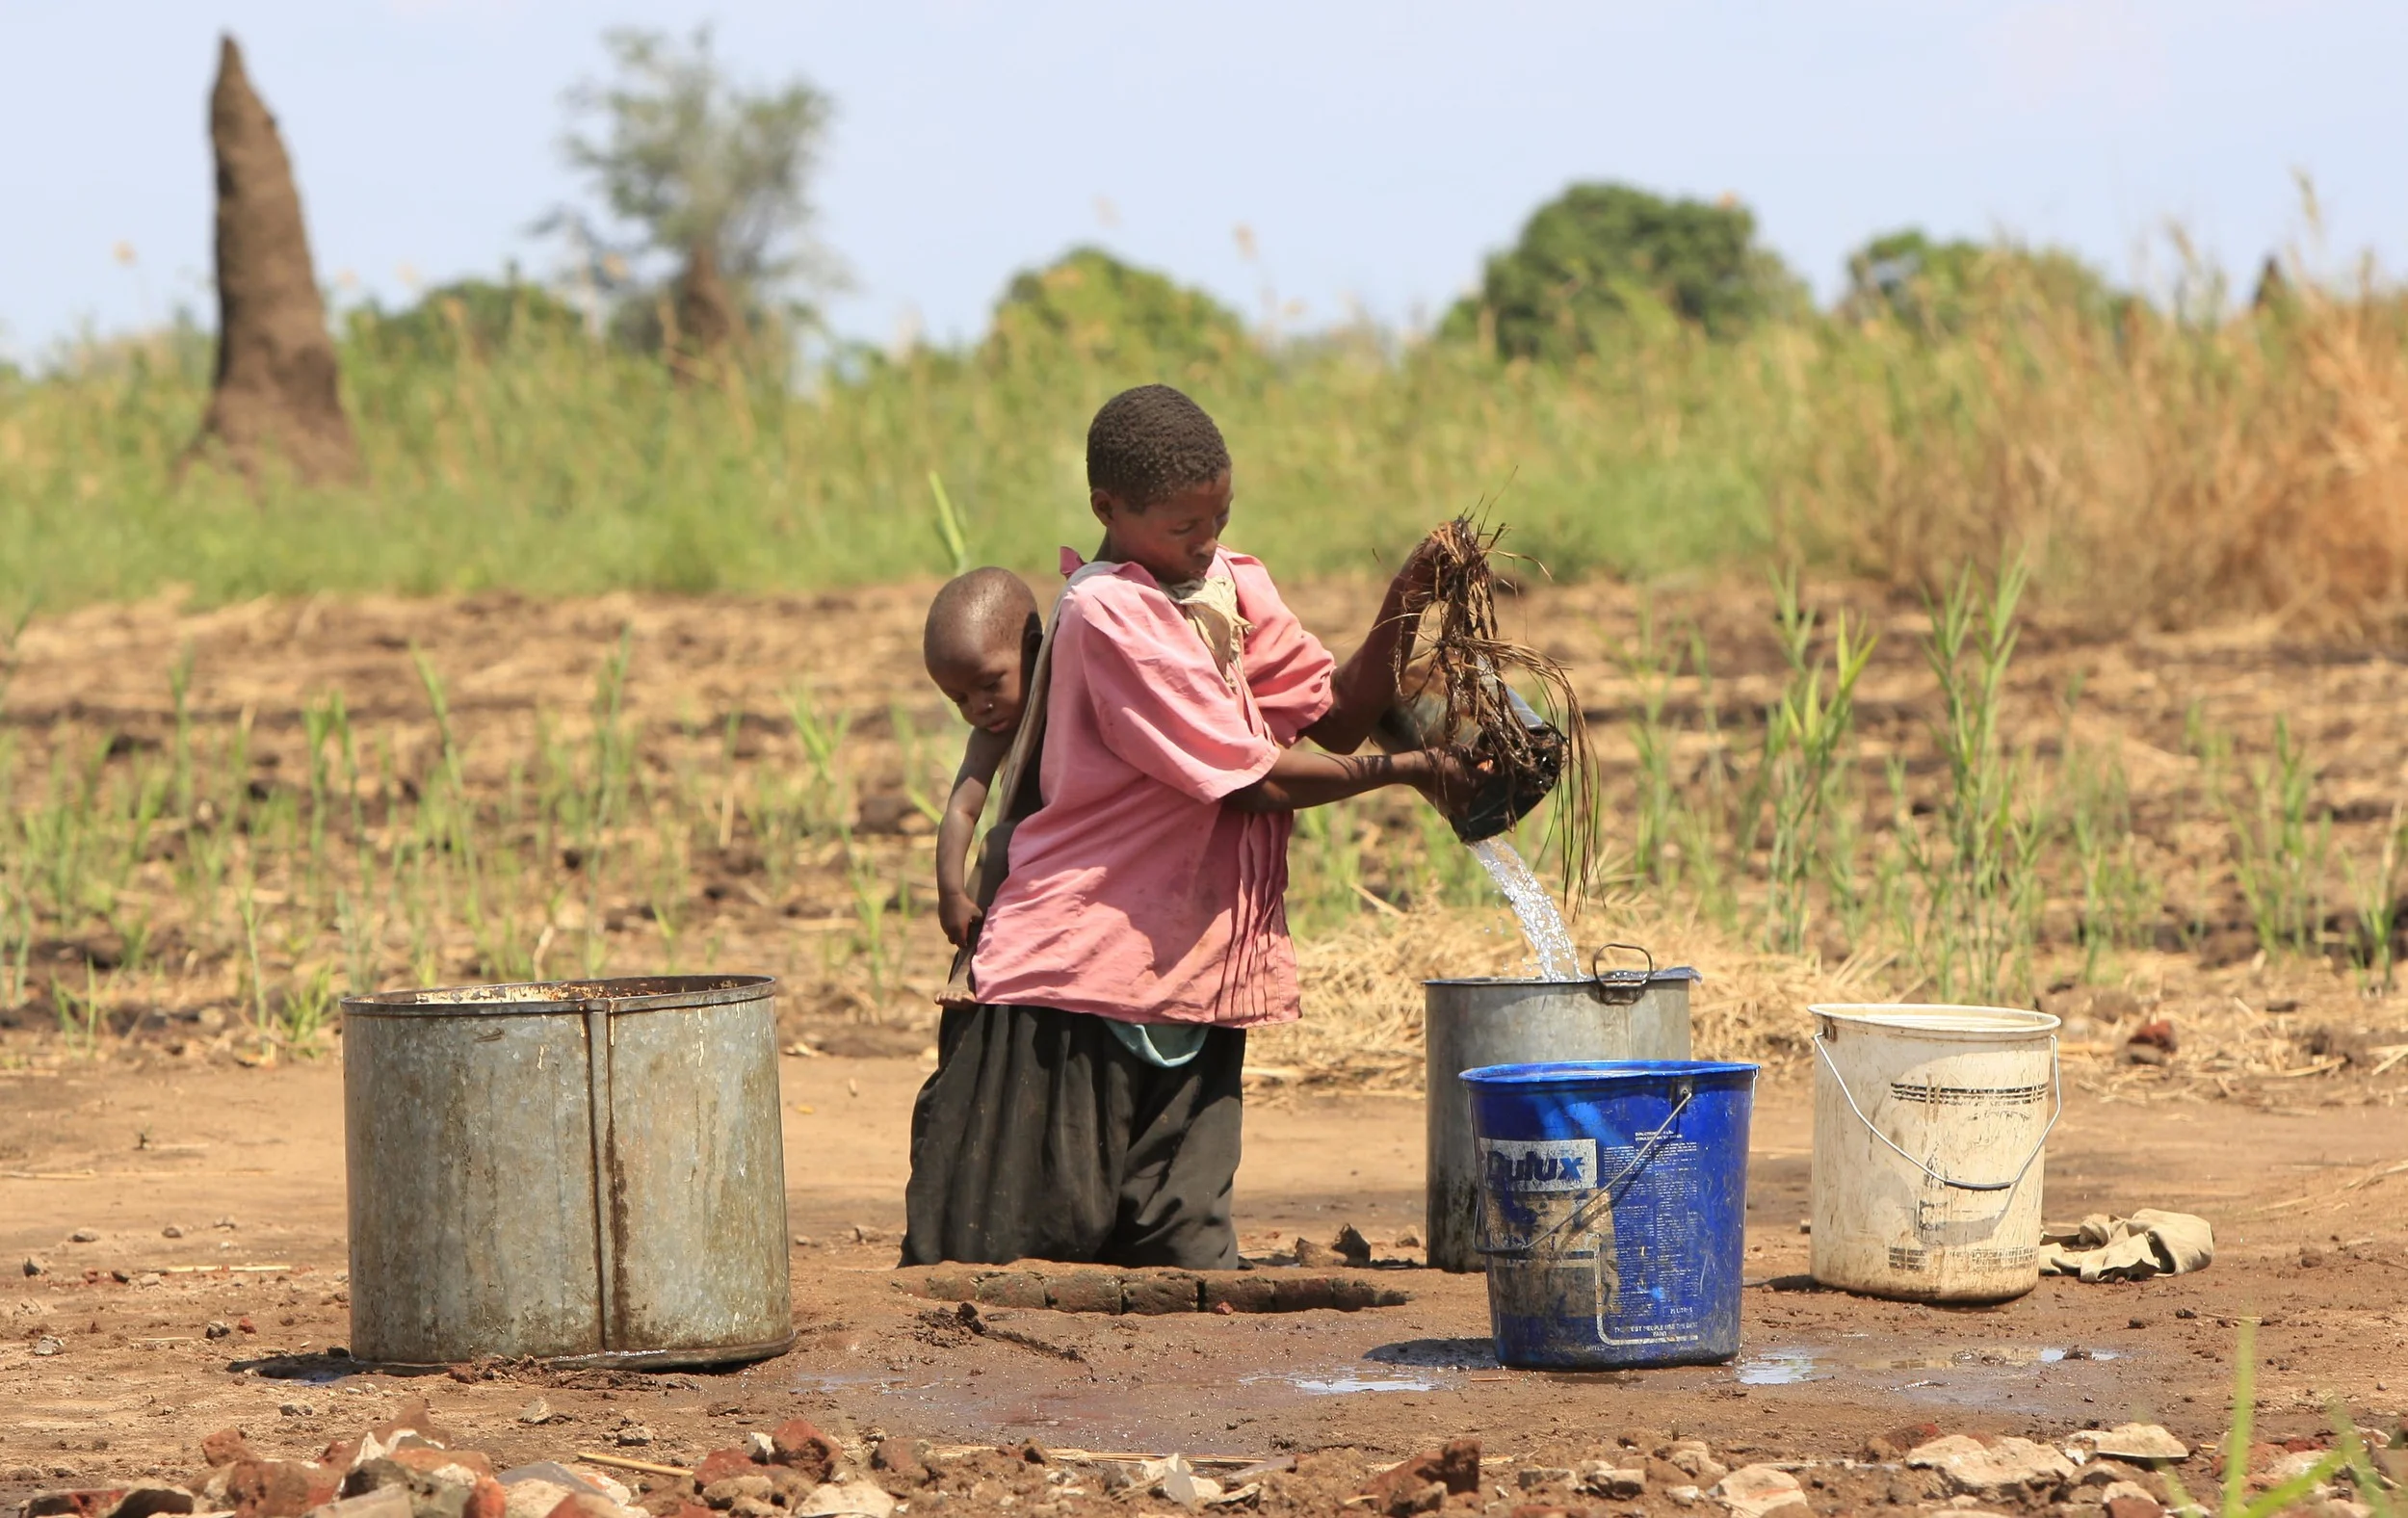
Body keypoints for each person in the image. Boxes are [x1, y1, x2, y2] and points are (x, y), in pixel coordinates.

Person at [901, 382, 1474, 1270]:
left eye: (1219, 517)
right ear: (1109, 510)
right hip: (1074, 980)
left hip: (1194, 970)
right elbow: (1252, 784)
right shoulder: (1107, 614)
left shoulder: (1230, 588)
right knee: (1011, 1259)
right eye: (1181, 527)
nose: (1205, 542)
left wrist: (1406, 598)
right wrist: (1407, 772)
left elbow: (1338, 719)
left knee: (1187, 1263)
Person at [920, 567, 1043, 972]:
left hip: (1094, 834)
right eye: (960, 699)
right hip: (1032, 842)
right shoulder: (992, 733)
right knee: (999, 844)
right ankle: (970, 967)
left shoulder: (1074, 686)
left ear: (1034, 649)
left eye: (990, 685)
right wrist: (951, 892)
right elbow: (962, 809)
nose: (978, 707)